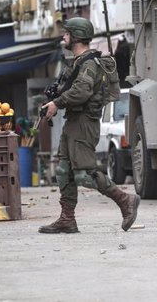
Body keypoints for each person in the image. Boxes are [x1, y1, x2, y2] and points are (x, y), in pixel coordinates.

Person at [38, 17, 140, 234]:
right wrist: (52, 102)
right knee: (64, 170)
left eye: (66, 33)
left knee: (84, 174)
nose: (63, 36)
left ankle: (126, 201)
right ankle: (67, 219)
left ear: (75, 37)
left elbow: (81, 92)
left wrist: (57, 103)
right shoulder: (77, 62)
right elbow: (68, 89)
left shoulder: (90, 64)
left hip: (84, 123)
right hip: (73, 122)